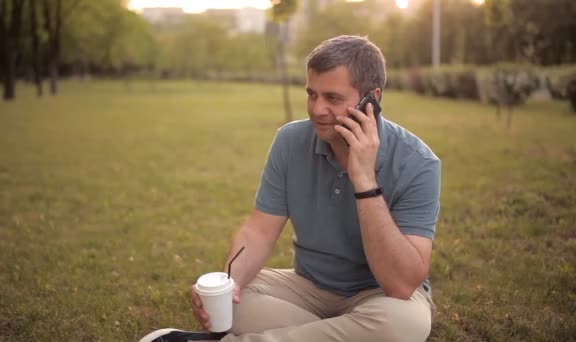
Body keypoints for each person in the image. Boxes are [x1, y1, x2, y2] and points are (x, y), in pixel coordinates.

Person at [140, 35, 441, 342]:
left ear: (372, 98)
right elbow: (259, 231)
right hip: (307, 289)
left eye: (333, 98)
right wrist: (230, 283)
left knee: (404, 325)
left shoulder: (418, 162)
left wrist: (364, 181)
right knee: (235, 298)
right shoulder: (290, 141)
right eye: (312, 94)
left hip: (381, 297)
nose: (317, 109)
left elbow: (401, 285)